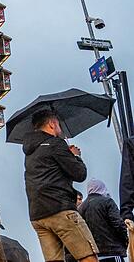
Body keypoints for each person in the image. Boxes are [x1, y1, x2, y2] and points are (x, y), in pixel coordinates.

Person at [23, 108, 98, 262]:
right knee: (88, 256)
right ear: (51, 124)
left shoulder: (30, 152)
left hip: (37, 214)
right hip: (60, 209)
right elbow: (79, 174)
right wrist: (76, 157)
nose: (60, 129)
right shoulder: (56, 144)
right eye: (58, 125)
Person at [79, 178, 128, 261]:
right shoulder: (107, 202)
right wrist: (126, 240)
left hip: (94, 257)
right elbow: (119, 224)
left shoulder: (81, 208)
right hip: (112, 253)